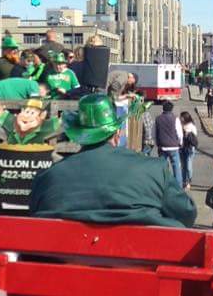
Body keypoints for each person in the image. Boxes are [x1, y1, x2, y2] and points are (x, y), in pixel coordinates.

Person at [29, 94, 196, 227]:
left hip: (62, 266)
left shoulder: (48, 178)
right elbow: (187, 214)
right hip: (138, 264)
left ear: (78, 137)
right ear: (117, 135)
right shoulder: (154, 170)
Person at [154, 100, 183, 187]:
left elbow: (154, 133)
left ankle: (164, 185)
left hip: (162, 147)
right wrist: (180, 143)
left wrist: (157, 143)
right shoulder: (175, 119)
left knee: (163, 167)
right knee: (176, 167)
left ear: (163, 108)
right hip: (174, 147)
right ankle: (178, 186)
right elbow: (179, 133)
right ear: (171, 109)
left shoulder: (158, 119)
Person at [179, 110, 198, 190]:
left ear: (185, 118)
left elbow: (194, 139)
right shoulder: (180, 125)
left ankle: (189, 181)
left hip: (189, 148)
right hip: (182, 148)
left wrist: (187, 133)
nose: (180, 119)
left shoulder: (191, 126)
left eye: (181, 117)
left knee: (188, 166)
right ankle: (184, 182)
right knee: (183, 166)